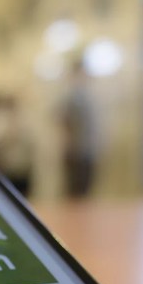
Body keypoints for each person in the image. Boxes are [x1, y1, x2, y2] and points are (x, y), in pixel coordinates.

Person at [60, 59, 97, 198]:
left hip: (87, 150)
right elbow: (62, 119)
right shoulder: (71, 95)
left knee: (85, 190)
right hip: (74, 151)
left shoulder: (88, 95)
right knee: (74, 191)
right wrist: (69, 141)